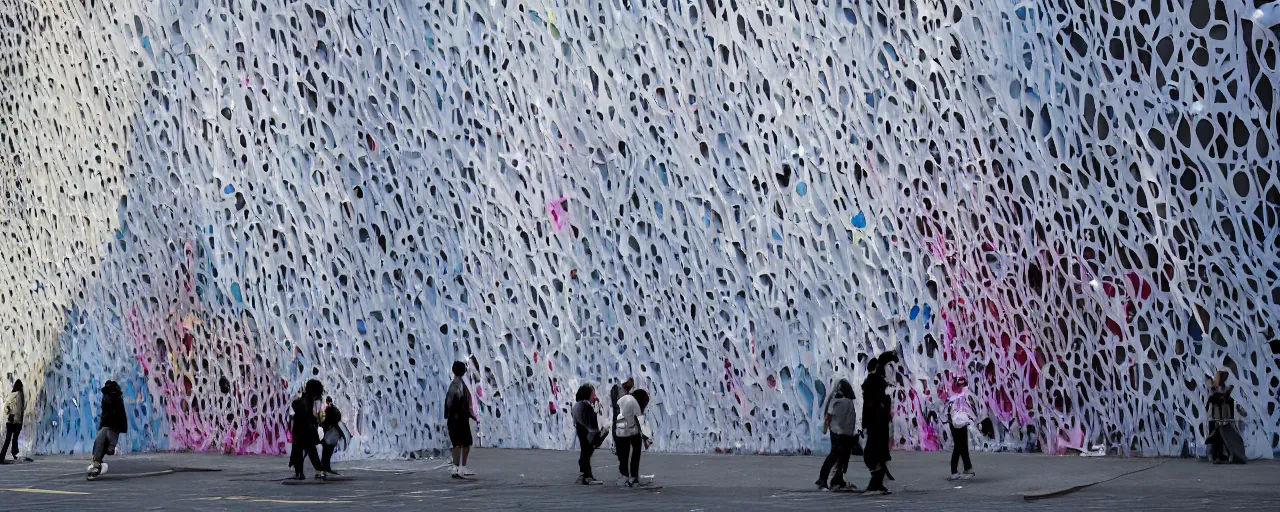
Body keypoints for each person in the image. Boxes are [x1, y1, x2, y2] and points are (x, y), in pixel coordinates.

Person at [862, 351, 899, 494]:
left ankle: (877, 483)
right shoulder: (874, 382)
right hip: (876, 423)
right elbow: (871, 404)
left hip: (877, 423)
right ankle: (875, 484)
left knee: (879, 453)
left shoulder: (874, 382)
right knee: (877, 453)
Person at [816, 379, 858, 490]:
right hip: (843, 434)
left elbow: (830, 416)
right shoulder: (844, 401)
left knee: (837, 456)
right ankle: (830, 479)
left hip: (838, 432)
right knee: (839, 456)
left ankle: (833, 479)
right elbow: (841, 418)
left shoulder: (836, 400)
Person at [1205, 370, 1246, 464]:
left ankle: (1219, 456)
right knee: (1216, 438)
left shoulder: (1220, 390)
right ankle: (1216, 456)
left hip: (1221, 417)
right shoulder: (1215, 390)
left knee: (1220, 438)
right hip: (1216, 417)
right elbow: (1212, 399)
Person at [446, 361, 479, 478]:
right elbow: (465, 404)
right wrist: (472, 416)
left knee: (456, 444)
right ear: (463, 371)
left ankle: (455, 468)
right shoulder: (460, 386)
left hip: (452, 419)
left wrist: (448, 416)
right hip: (460, 418)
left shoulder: (453, 385)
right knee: (466, 443)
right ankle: (463, 467)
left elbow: (448, 403)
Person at [89, 380, 128, 477]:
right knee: (99, 442)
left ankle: (111, 451)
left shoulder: (115, 398)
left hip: (113, 426)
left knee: (108, 448)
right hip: (108, 426)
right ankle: (97, 463)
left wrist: (118, 427)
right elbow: (105, 414)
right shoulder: (109, 398)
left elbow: (119, 415)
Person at [288, 379, 326, 480]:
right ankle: (318, 471)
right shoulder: (308, 400)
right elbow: (309, 414)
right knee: (310, 452)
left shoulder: (305, 399)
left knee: (299, 452)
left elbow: (297, 408)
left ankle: (300, 473)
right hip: (307, 430)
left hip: (301, 430)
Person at [614, 388, 652, 487]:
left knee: (625, 453)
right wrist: (646, 438)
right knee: (633, 450)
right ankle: (631, 477)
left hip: (622, 429)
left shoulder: (626, 400)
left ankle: (626, 476)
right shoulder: (633, 403)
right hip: (626, 429)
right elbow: (641, 421)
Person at [571, 384, 608, 484]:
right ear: (588, 395)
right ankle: (587, 476)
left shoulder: (576, 405)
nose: (595, 396)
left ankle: (585, 474)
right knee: (587, 453)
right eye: (593, 394)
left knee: (585, 452)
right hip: (588, 433)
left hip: (580, 430)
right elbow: (593, 424)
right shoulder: (586, 406)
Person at [945, 375, 978, 480]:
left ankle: (967, 468)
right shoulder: (955, 397)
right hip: (955, 423)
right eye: (962, 385)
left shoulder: (962, 396)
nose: (964, 387)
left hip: (961, 423)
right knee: (959, 446)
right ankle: (955, 471)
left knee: (962, 445)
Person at [319, 396, 347, 475]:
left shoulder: (328, 410)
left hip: (328, 434)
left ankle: (324, 467)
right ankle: (326, 467)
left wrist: (322, 425)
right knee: (329, 452)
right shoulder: (335, 409)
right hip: (334, 433)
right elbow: (338, 419)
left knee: (326, 452)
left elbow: (325, 421)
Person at [1, 379, 24, 464]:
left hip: (15, 421)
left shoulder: (16, 395)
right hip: (14, 421)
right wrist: (11, 414)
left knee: (13, 439)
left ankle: (13, 454)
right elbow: (9, 406)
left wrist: (10, 414)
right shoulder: (16, 394)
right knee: (10, 439)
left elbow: (19, 409)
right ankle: (3, 456)